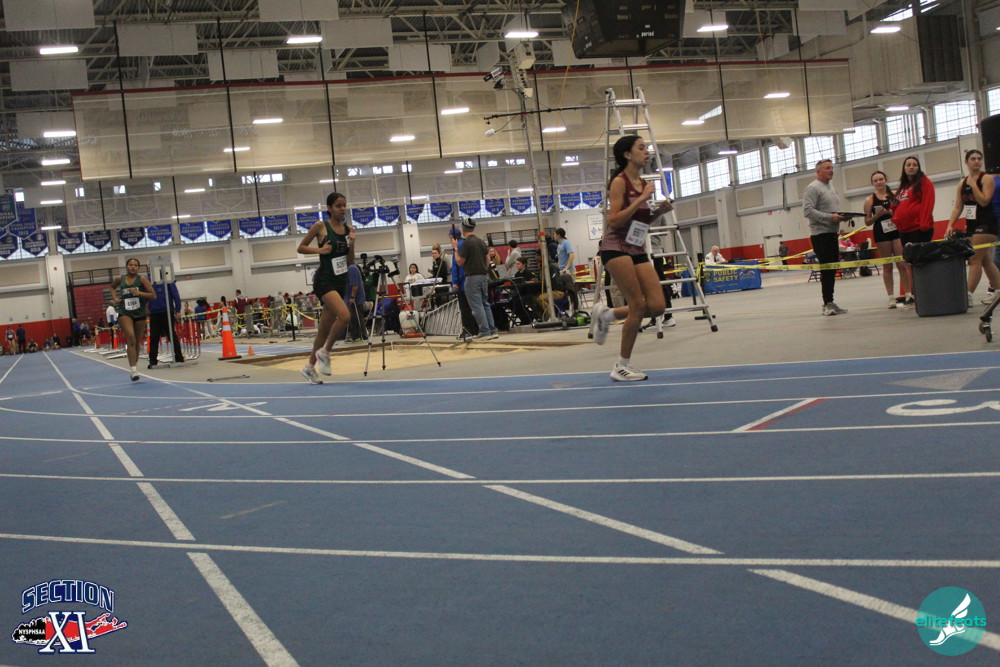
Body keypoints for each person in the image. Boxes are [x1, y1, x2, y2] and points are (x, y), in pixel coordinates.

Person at [590, 135, 668, 381]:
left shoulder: (643, 183)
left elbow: (639, 222)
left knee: (657, 306)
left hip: (636, 247)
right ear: (627, 154)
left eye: (647, 148)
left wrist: (658, 212)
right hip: (616, 248)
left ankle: (607, 315)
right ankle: (621, 366)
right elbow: (614, 221)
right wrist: (643, 199)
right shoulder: (619, 182)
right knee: (637, 305)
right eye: (641, 148)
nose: (647, 152)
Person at [297, 192, 355, 384]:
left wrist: (352, 243)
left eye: (344, 205)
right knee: (345, 316)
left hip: (340, 281)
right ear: (329, 208)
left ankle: (309, 368)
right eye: (338, 205)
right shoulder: (321, 226)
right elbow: (301, 247)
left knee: (323, 330)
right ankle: (325, 352)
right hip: (324, 280)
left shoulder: (349, 229)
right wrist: (320, 250)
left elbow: (350, 261)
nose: (342, 208)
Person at [944, 149, 1000, 306]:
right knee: (986, 260)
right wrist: (950, 224)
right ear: (966, 162)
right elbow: (958, 206)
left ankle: (967, 294)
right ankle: (998, 291)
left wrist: (974, 185)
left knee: (974, 259)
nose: (977, 161)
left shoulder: (986, 179)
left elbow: (984, 201)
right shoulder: (962, 184)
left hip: (987, 223)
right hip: (972, 224)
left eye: (979, 159)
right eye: (973, 159)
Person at [802, 159, 849, 316]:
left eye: (832, 168)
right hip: (820, 234)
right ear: (818, 171)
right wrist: (830, 218)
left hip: (832, 233)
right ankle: (827, 303)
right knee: (827, 269)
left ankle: (830, 301)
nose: (831, 170)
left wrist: (841, 217)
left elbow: (831, 210)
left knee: (832, 268)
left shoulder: (830, 187)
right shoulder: (813, 188)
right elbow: (807, 211)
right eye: (827, 168)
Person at [891, 155, 935, 305]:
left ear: (918, 167)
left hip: (920, 228)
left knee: (920, 263)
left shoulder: (924, 182)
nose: (911, 167)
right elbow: (896, 205)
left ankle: (924, 292)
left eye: (914, 165)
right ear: (904, 168)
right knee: (911, 263)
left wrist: (924, 224)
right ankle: (915, 293)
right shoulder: (903, 187)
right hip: (905, 230)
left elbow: (928, 202)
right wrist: (895, 214)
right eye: (908, 165)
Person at [864, 170, 910, 309]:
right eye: (876, 180)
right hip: (881, 233)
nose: (879, 182)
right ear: (872, 183)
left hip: (896, 230)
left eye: (881, 179)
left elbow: (904, 212)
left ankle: (909, 294)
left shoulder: (895, 195)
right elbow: (867, 222)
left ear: (886, 180)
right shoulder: (870, 200)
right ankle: (891, 297)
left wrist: (892, 212)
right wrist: (877, 215)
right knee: (887, 265)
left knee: (902, 263)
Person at [452, 218, 499, 341]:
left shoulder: (466, 243)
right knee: (485, 304)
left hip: (472, 277)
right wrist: (483, 269)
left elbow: (460, 262)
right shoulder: (481, 241)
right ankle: (492, 330)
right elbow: (487, 259)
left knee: (476, 305)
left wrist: (455, 248)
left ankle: (484, 332)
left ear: (463, 229)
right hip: (483, 276)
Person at [111, 257, 155, 381]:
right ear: (127, 266)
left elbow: (153, 295)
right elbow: (112, 287)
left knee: (137, 340)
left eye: (135, 265)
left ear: (138, 268)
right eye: (130, 265)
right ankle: (134, 370)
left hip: (139, 313)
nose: (133, 267)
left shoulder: (142, 280)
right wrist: (115, 298)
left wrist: (138, 293)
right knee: (130, 338)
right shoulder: (120, 279)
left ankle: (134, 365)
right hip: (125, 312)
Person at [147, 280, 185, 369]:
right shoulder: (149, 280)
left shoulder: (167, 280)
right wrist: (147, 309)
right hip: (154, 312)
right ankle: (152, 360)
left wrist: (178, 309)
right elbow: (146, 296)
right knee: (154, 337)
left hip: (167, 311)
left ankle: (179, 357)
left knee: (171, 335)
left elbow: (175, 294)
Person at [344, 262, 368, 341]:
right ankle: (355, 336)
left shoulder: (352, 269)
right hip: (349, 298)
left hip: (355, 299)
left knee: (356, 318)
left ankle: (361, 336)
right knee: (352, 318)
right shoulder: (349, 269)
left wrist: (352, 296)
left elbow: (355, 285)